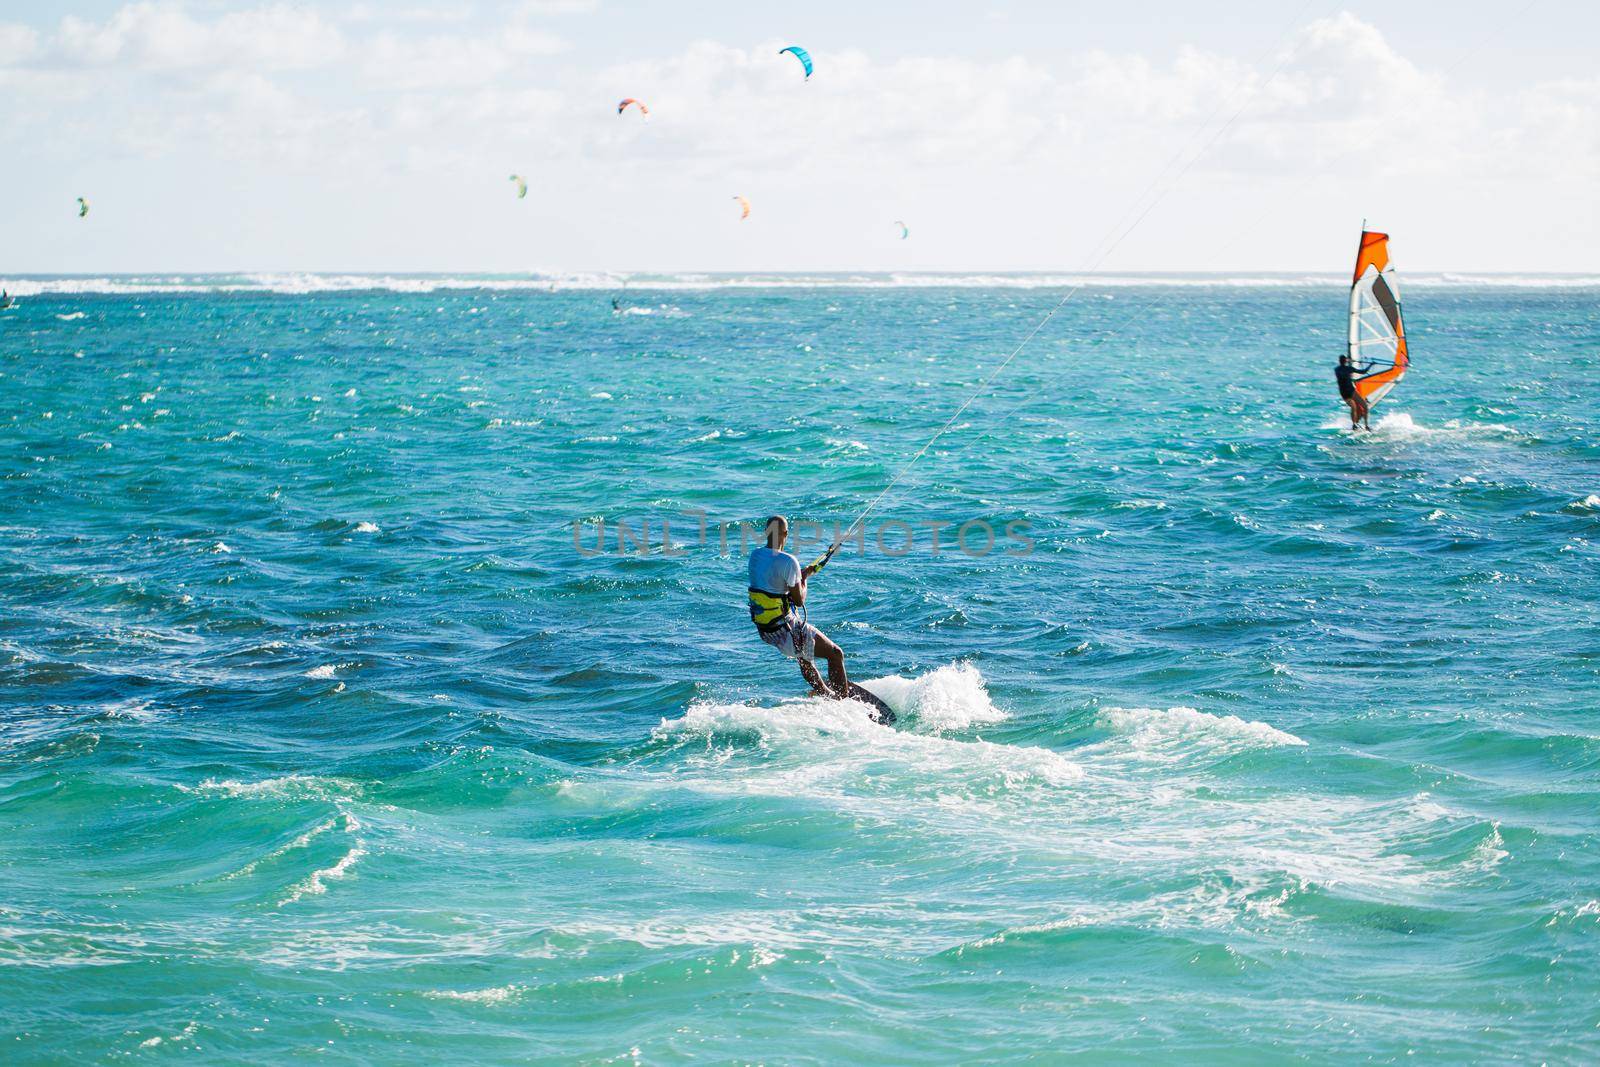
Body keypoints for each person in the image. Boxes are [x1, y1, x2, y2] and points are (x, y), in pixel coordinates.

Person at [747, 515, 849, 699]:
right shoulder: (789, 561)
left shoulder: (755, 556)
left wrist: (800, 576)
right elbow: (800, 600)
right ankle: (843, 702)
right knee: (835, 654)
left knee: (804, 655)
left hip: (766, 630)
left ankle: (825, 693)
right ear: (785, 534)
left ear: (766, 533)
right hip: (786, 632)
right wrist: (804, 579)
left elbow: (772, 586)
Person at [1336, 353, 1374, 430]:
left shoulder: (1336, 369)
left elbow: (1343, 373)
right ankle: (1366, 426)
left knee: (1353, 407)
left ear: (1339, 361)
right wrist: (1371, 365)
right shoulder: (1349, 369)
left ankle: (1354, 424)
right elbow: (1363, 372)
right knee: (1365, 406)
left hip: (1343, 393)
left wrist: (1349, 362)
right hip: (1351, 391)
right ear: (1345, 361)